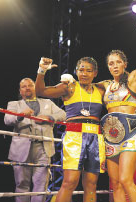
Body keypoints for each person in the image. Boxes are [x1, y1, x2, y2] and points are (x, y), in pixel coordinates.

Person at [95, 17, 136, 202]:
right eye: (110, 63)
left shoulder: (133, 79)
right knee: (115, 184)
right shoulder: (105, 85)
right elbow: (85, 85)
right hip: (111, 136)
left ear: (125, 64)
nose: (114, 66)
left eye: (117, 62)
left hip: (130, 132)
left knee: (126, 179)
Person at [35, 57, 106, 202]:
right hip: (75, 136)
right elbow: (40, 91)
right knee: (69, 182)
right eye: (81, 70)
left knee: (91, 184)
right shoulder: (69, 87)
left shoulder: (101, 89)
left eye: (89, 70)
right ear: (76, 71)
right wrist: (41, 70)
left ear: (95, 73)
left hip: (96, 139)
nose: (84, 74)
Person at [4, 78, 66, 202]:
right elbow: (7, 120)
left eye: (30, 85)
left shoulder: (48, 102)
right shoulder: (14, 104)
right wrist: (21, 115)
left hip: (43, 148)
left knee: (41, 185)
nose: (27, 88)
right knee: (22, 184)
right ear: (20, 91)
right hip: (21, 149)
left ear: (35, 88)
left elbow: (63, 114)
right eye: (24, 86)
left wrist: (48, 117)